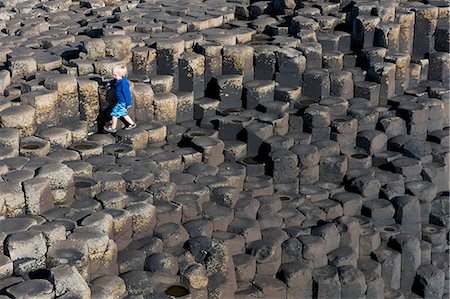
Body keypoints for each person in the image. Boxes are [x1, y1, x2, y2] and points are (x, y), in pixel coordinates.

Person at [104, 65, 137, 133]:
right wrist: (109, 84)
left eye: (115, 75)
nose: (114, 76)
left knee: (114, 113)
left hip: (122, 102)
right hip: (120, 101)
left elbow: (127, 94)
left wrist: (129, 103)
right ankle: (132, 124)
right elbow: (114, 81)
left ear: (121, 75)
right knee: (124, 114)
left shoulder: (123, 84)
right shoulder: (119, 80)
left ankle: (113, 127)